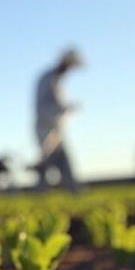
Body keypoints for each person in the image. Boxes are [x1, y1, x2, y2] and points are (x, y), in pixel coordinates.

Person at [31, 49, 83, 193]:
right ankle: (42, 192)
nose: (70, 70)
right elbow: (44, 106)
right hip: (45, 127)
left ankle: (73, 189)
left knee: (61, 159)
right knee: (47, 161)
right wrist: (65, 108)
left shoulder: (57, 80)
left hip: (55, 127)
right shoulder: (48, 79)